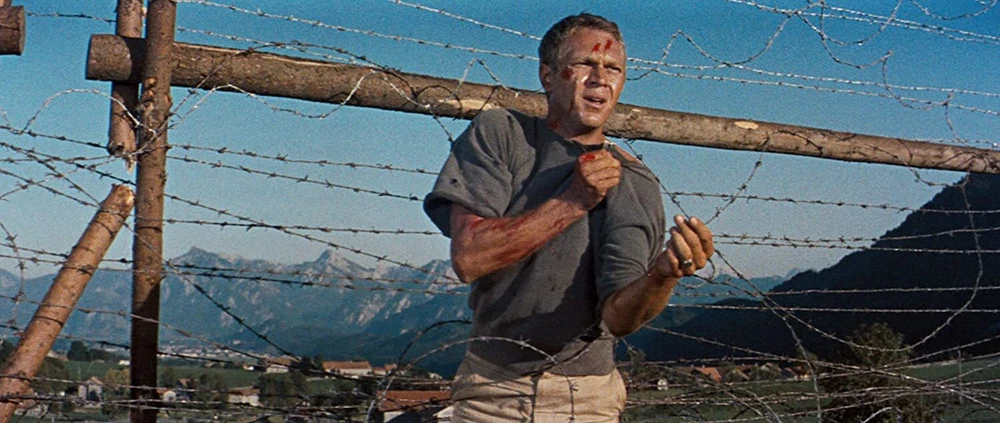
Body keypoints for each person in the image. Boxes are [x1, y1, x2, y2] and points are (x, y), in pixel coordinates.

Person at [424, 13, 714, 422]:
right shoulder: (503, 135)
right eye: (585, 64)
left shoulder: (632, 182)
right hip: (491, 392)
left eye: (613, 68)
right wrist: (573, 201)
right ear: (548, 76)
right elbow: (470, 257)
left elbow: (618, 317)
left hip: (584, 400)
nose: (600, 79)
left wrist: (663, 276)